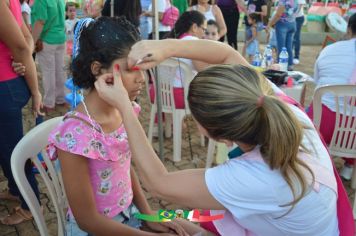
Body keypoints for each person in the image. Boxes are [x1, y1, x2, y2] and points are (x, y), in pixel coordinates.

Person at [93, 38, 345, 235]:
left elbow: (159, 183)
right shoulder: (277, 106)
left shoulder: (251, 179)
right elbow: (227, 55)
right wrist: (167, 48)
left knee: (184, 221)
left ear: (220, 138)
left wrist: (125, 107)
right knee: (183, 221)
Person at [47, 16, 209, 236]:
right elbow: (87, 220)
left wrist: (148, 214)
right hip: (99, 229)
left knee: (194, 230)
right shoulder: (75, 135)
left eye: (143, 68)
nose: (142, 78)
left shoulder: (124, 110)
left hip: (131, 214)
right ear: (97, 69)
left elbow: (124, 165)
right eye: (132, 69)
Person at [0, 0, 43, 225]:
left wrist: (36, 90)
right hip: (9, 83)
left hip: (5, 88)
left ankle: (30, 206)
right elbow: (26, 40)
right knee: (7, 149)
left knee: (13, 151)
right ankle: (17, 189)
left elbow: (23, 46)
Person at [307, 13, 356, 181]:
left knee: (312, 107)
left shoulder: (330, 49)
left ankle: (318, 157)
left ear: (349, 29)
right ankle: (350, 164)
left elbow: (318, 82)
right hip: (353, 134)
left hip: (322, 125)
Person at [31, 0, 66, 111]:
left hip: (47, 40)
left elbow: (40, 21)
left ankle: (49, 103)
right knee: (60, 71)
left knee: (48, 72)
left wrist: (32, 42)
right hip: (60, 38)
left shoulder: (41, 1)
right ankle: (61, 99)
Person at [266, 0, 297, 71]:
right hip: (292, 23)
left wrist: (269, 24)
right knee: (288, 47)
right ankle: (289, 66)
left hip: (283, 25)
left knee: (281, 48)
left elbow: (278, 15)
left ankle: (281, 68)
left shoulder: (283, 1)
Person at [293, 0, 305, 65]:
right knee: (290, 37)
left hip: (298, 18)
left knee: (296, 37)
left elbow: (300, 6)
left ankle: (296, 57)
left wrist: (293, 15)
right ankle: (290, 56)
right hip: (290, 17)